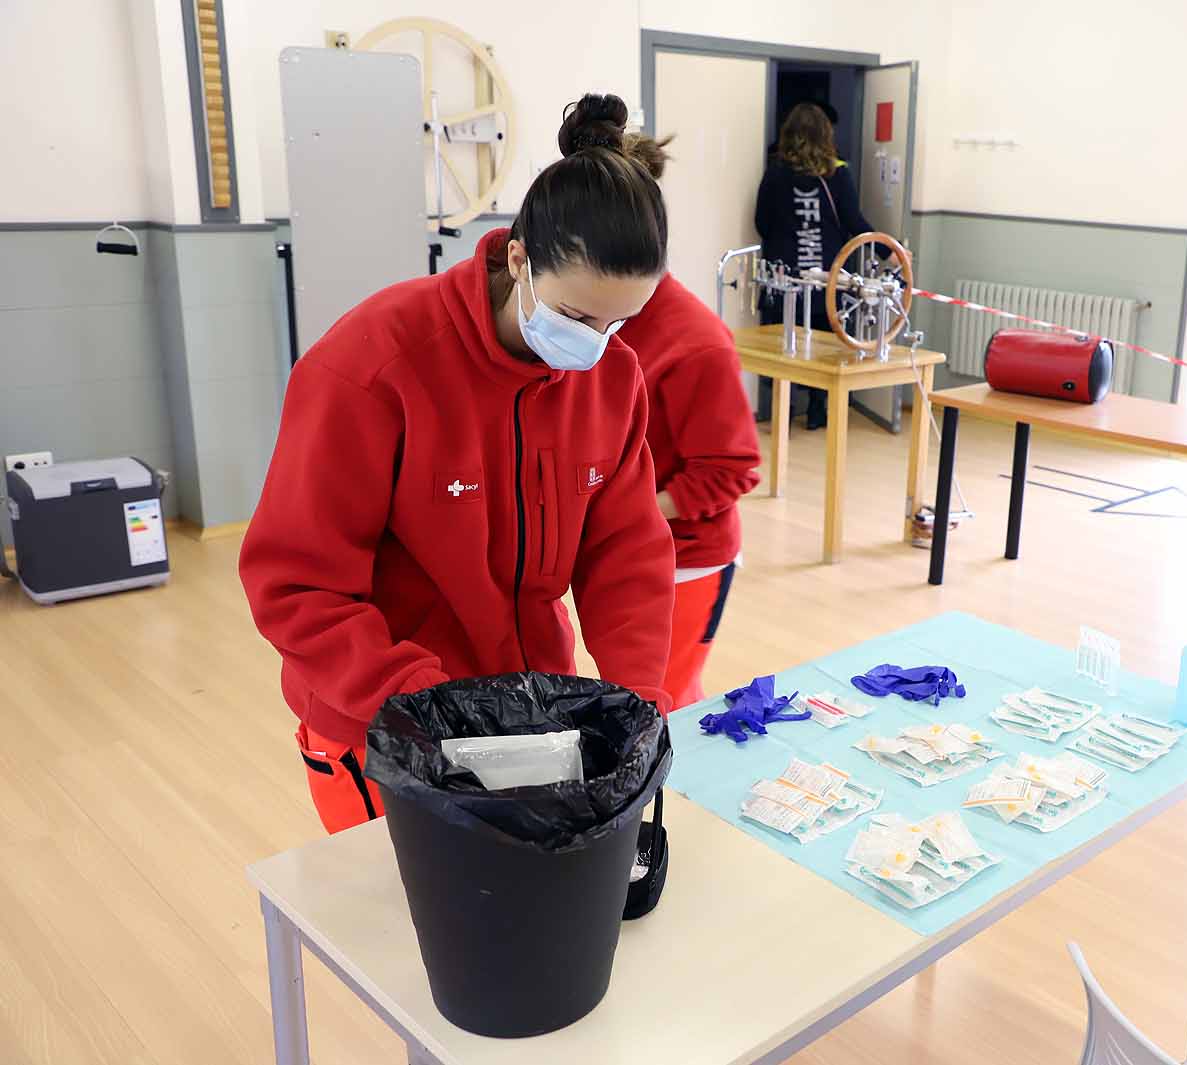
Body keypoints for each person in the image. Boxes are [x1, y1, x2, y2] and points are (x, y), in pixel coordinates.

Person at [239, 94, 676, 834]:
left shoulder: (612, 376)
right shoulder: (375, 367)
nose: (597, 345)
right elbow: (297, 585)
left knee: (524, 924)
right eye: (576, 317)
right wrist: (428, 710)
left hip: (529, 712)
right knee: (412, 935)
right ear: (518, 259)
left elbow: (625, 552)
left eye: (619, 322)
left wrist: (637, 704)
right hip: (384, 722)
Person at [615, 137, 762, 709]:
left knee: (661, 702)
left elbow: (730, 471)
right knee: (627, 702)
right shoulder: (594, 323)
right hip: (621, 549)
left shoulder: (696, 344)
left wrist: (626, 517)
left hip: (686, 557)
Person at [754, 102, 874, 430]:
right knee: (826, 346)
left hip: (786, 277)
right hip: (826, 277)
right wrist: (886, 250)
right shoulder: (839, 173)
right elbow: (854, 221)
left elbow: (761, 222)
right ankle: (819, 413)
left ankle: (784, 411)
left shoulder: (776, 173)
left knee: (784, 343)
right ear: (826, 135)